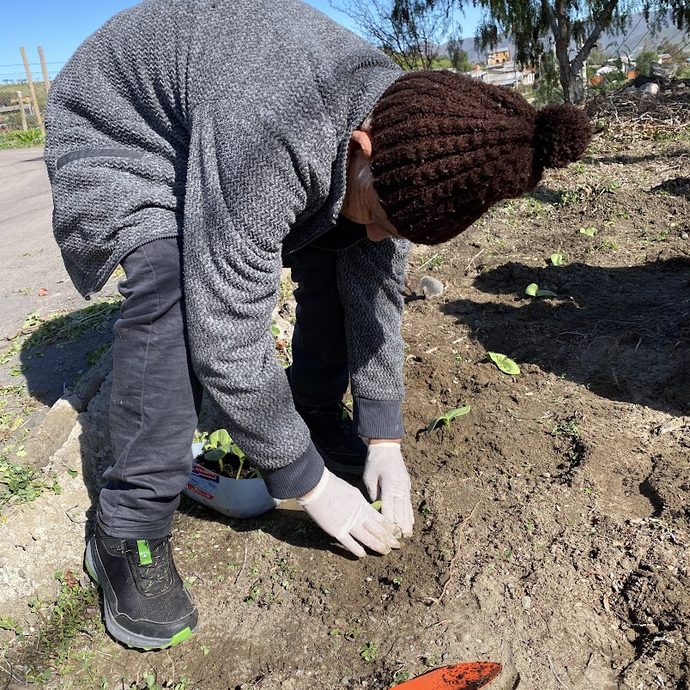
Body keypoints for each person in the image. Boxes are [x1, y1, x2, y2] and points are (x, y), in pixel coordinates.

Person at [44, 0, 593, 651]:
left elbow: (378, 286)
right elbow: (225, 329)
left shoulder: (405, 126)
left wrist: (383, 435)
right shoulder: (277, 122)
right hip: (122, 127)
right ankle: (126, 525)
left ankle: (314, 409)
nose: (386, 233)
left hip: (227, 124)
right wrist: (306, 482)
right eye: (387, 214)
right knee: (175, 290)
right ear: (362, 149)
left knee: (351, 246)